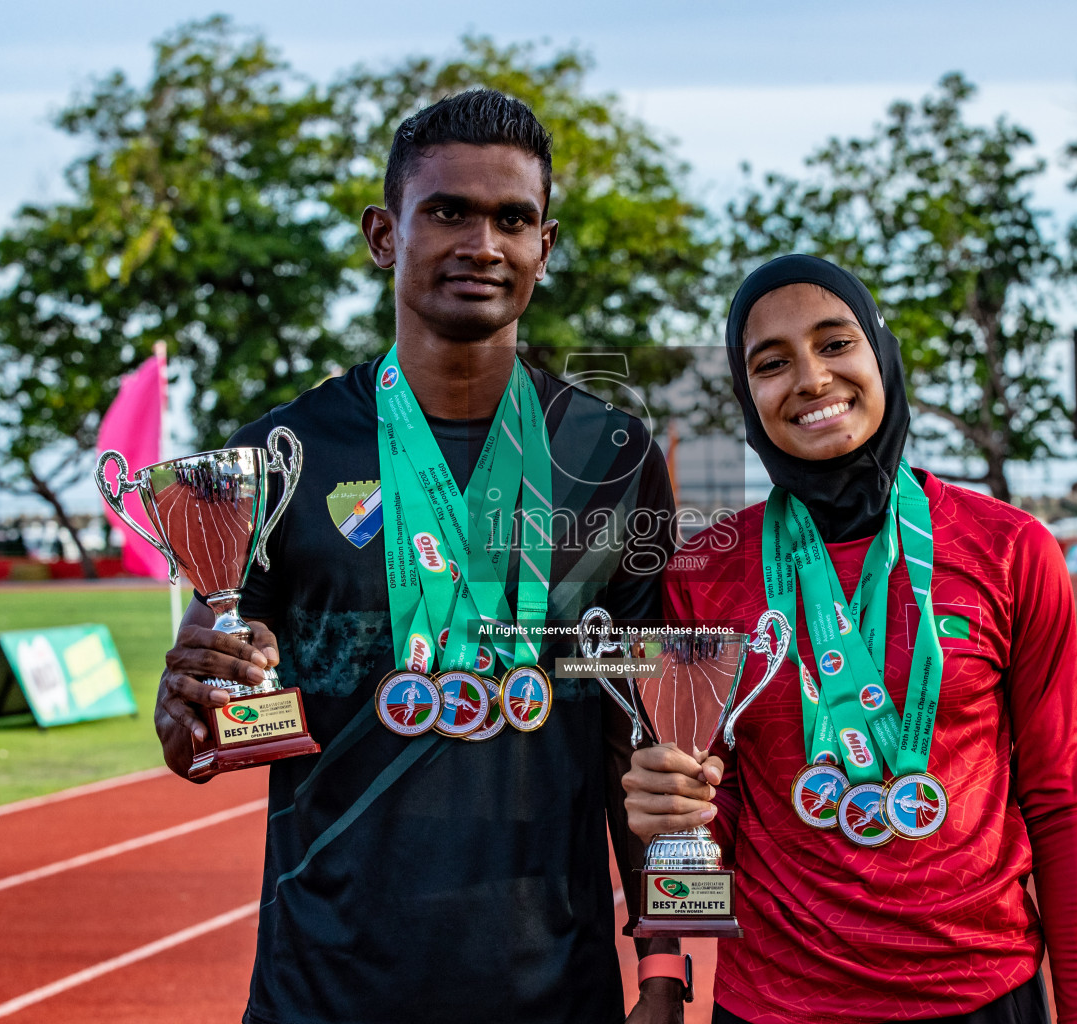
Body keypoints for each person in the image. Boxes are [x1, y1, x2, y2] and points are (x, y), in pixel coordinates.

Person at [155, 90, 685, 1023]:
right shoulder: (279, 458)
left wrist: (664, 963)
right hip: (323, 990)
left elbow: (635, 734)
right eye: (447, 211)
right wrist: (190, 708)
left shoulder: (612, 459)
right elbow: (212, 735)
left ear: (544, 249)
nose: (482, 242)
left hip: (552, 991)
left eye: (511, 219)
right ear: (382, 234)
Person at [623, 255, 1077, 1024]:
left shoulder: (1010, 550)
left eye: (835, 343)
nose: (811, 379)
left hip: (983, 997)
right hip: (775, 1006)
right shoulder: (702, 574)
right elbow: (702, 827)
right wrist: (664, 964)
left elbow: (1058, 803)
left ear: (880, 355)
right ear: (749, 397)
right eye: (772, 363)